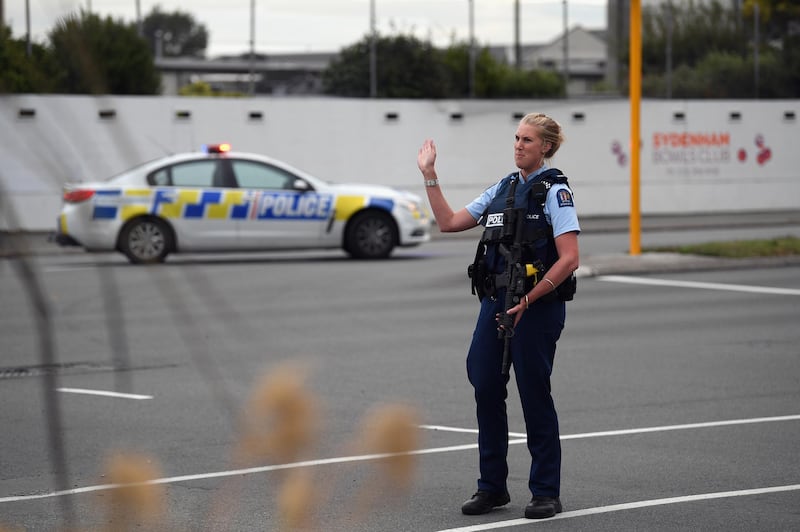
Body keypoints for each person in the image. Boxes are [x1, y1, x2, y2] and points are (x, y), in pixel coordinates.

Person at [416, 113, 580, 520]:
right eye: (517, 138)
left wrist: (530, 299)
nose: (519, 145)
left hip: (537, 307)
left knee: (533, 392)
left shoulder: (554, 192)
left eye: (527, 140)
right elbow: (449, 222)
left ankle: (545, 491)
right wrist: (430, 174)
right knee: (485, 383)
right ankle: (492, 487)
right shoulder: (503, 188)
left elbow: (570, 259)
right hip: (495, 303)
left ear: (546, 147)